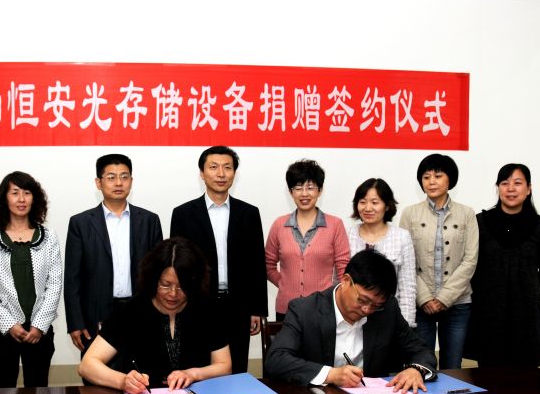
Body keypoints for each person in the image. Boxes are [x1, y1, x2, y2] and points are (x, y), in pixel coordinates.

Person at [264, 249, 437, 393]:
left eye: (376, 306)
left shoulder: (387, 310)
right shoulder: (305, 310)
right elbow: (276, 359)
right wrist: (331, 375)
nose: (367, 310)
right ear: (346, 280)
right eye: (362, 300)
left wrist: (416, 370)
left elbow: (421, 350)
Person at [78, 238, 232, 393]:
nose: (173, 294)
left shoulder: (207, 309)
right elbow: (87, 365)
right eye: (165, 285)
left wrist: (193, 374)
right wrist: (123, 381)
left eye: (181, 286)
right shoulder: (130, 311)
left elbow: (224, 366)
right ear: (153, 279)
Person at [170, 145, 268, 374]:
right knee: (197, 367)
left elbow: (256, 263)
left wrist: (257, 309)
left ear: (234, 173)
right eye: (213, 167)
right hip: (197, 304)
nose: (221, 174)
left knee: (237, 368)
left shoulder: (249, 213)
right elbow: (177, 265)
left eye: (227, 167)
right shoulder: (183, 214)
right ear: (202, 173)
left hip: (238, 306)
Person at [64, 154, 162, 359]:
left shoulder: (149, 221)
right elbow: (73, 278)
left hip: (141, 311)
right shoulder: (80, 223)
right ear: (98, 183)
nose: (118, 183)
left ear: (131, 181)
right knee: (97, 372)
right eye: (111, 177)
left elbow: (158, 273)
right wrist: (75, 322)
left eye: (124, 177)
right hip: (96, 315)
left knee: (143, 372)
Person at [0, 172, 63, 388]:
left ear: (35, 198)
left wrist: (39, 325)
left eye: (27, 193)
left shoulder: (49, 237)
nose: (21, 199)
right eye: (15, 193)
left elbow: (54, 284)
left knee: (38, 391)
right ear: (4, 198)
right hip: (2, 331)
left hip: (39, 331)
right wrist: (9, 325)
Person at [468, 164, 540, 366]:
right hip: (488, 310)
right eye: (504, 183)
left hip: (526, 311)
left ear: (529, 188)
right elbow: (468, 261)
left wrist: (530, 289)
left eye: (517, 183)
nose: (510, 189)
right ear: (497, 188)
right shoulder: (480, 222)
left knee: (526, 374)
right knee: (488, 374)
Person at [399, 154, 478, 369]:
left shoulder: (467, 214)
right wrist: (425, 297)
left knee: (453, 366)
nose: (431, 182)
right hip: (421, 303)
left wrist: (444, 298)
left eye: (438, 176)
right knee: (420, 365)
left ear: (450, 179)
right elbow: (405, 260)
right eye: (426, 177)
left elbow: (470, 259)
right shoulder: (410, 214)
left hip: (458, 303)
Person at [265, 159, 349, 322]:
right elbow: (267, 264)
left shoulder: (335, 225)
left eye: (310, 188)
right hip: (286, 308)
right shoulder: (279, 225)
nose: (304, 194)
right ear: (291, 192)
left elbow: (343, 267)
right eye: (298, 188)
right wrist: (284, 283)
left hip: (324, 308)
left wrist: (334, 295)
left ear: (320, 190)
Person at [348, 178, 416, 326]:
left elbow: (407, 287)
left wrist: (406, 325)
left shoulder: (401, 237)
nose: (367, 208)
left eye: (375, 202)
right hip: (353, 316)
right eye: (362, 202)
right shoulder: (348, 235)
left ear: (387, 206)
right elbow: (340, 280)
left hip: (388, 316)